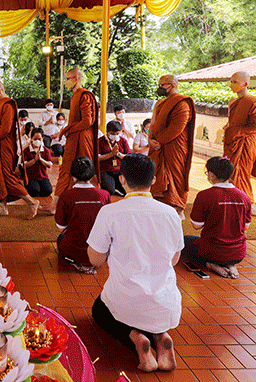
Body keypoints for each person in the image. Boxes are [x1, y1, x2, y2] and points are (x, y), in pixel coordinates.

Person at [88, 154, 182, 373]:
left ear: (122, 180)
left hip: (125, 299)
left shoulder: (110, 211)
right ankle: (160, 335)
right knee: (150, 314)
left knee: (100, 310)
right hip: (164, 304)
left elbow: (95, 259)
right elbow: (174, 260)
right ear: (154, 180)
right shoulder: (171, 214)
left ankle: (136, 338)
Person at [185, 156, 250, 279]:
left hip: (211, 252)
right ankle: (231, 265)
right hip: (238, 254)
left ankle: (210, 264)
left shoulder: (204, 195)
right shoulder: (243, 196)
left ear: (212, 175)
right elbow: (245, 226)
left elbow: (196, 225)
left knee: (186, 240)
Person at [0, 80, 40, 219]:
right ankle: (3, 207)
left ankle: (32, 201)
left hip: (5, 146)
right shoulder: (0, 105)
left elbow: (6, 128)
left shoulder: (8, 104)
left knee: (7, 176)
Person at [52, 68, 99, 213]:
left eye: (68, 78)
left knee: (85, 170)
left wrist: (68, 129)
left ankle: (94, 202)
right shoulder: (75, 95)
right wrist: (68, 130)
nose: (65, 82)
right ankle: (56, 205)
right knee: (66, 169)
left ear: (76, 79)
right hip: (74, 138)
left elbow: (87, 121)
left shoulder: (84, 95)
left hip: (82, 138)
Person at [148, 74, 195, 219]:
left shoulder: (182, 103)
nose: (159, 88)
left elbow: (177, 128)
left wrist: (159, 142)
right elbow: (153, 124)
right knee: (157, 177)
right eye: (159, 84)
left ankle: (177, 208)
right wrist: (150, 139)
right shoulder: (159, 103)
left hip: (174, 149)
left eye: (163, 85)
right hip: (157, 146)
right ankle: (159, 208)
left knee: (176, 178)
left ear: (173, 85)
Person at [223, 71, 256, 216]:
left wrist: (236, 131)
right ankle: (233, 202)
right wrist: (228, 126)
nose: (232, 85)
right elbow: (232, 120)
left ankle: (250, 204)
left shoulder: (254, 102)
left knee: (241, 174)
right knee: (229, 172)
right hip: (232, 142)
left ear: (246, 84)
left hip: (245, 144)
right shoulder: (232, 102)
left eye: (235, 82)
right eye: (231, 81)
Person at [55, 157, 110, 274]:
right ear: (92, 175)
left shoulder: (65, 196)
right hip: (100, 253)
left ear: (73, 177)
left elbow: (60, 227)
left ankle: (77, 262)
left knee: (61, 239)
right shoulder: (104, 195)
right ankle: (91, 263)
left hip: (74, 250)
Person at [98, 120, 131, 197]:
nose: (115, 136)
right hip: (106, 170)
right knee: (110, 190)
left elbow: (129, 157)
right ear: (107, 131)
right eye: (112, 134)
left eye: (117, 134)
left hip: (120, 170)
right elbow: (97, 158)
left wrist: (118, 154)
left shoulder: (123, 141)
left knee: (126, 190)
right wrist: (111, 154)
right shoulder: (100, 141)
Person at [23, 128, 53, 198]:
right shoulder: (26, 150)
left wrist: (41, 159)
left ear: (42, 139)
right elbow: (24, 165)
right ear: (31, 138)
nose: (37, 141)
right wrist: (34, 160)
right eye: (35, 139)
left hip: (43, 176)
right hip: (31, 177)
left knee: (48, 191)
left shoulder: (46, 150)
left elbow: (49, 165)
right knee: (34, 191)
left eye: (39, 139)